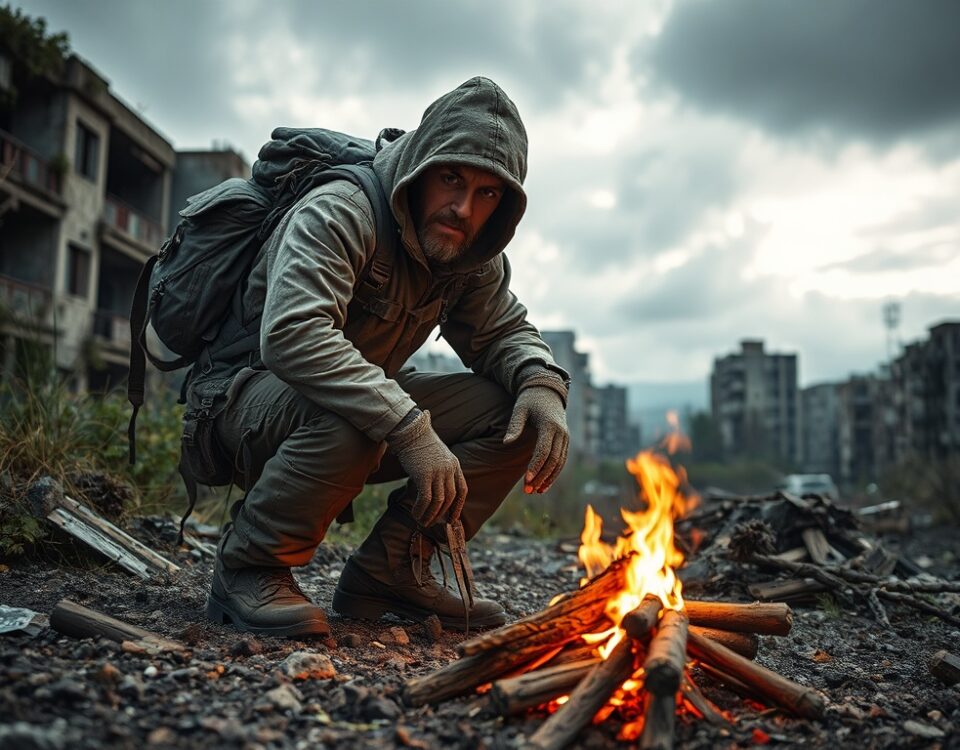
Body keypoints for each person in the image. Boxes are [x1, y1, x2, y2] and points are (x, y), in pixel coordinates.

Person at [189, 77, 571, 638]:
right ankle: (250, 568)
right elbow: (295, 333)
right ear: (421, 165)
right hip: (239, 400)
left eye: (488, 193)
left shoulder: (467, 250)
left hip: (350, 404)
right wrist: (409, 427)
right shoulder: (342, 210)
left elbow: (503, 330)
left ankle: (391, 570)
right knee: (356, 417)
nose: (464, 208)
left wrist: (541, 381)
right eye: (451, 178)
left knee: (510, 413)